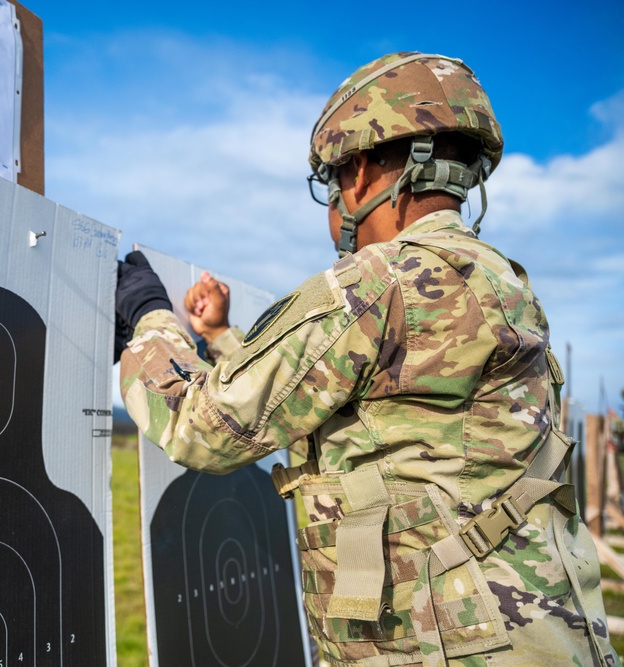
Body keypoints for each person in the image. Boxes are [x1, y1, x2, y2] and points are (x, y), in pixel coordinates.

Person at [115, 52, 621, 666]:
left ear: (358, 176)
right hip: (542, 637)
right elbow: (369, 411)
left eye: (332, 187)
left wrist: (149, 318)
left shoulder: (377, 284)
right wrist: (223, 336)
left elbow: (200, 425)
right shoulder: (504, 284)